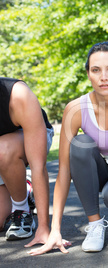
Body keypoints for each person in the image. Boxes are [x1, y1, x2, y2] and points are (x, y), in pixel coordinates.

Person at [28, 41, 108, 256]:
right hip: (99, 170)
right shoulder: (75, 109)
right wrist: (55, 230)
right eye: (96, 70)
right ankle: (95, 224)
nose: (103, 77)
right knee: (79, 145)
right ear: (88, 74)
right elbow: (64, 171)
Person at [0, 77, 53, 245]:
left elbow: (38, 165)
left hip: (28, 139)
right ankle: (24, 188)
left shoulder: (18, 95)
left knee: (3, 149)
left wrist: (44, 227)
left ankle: (22, 209)